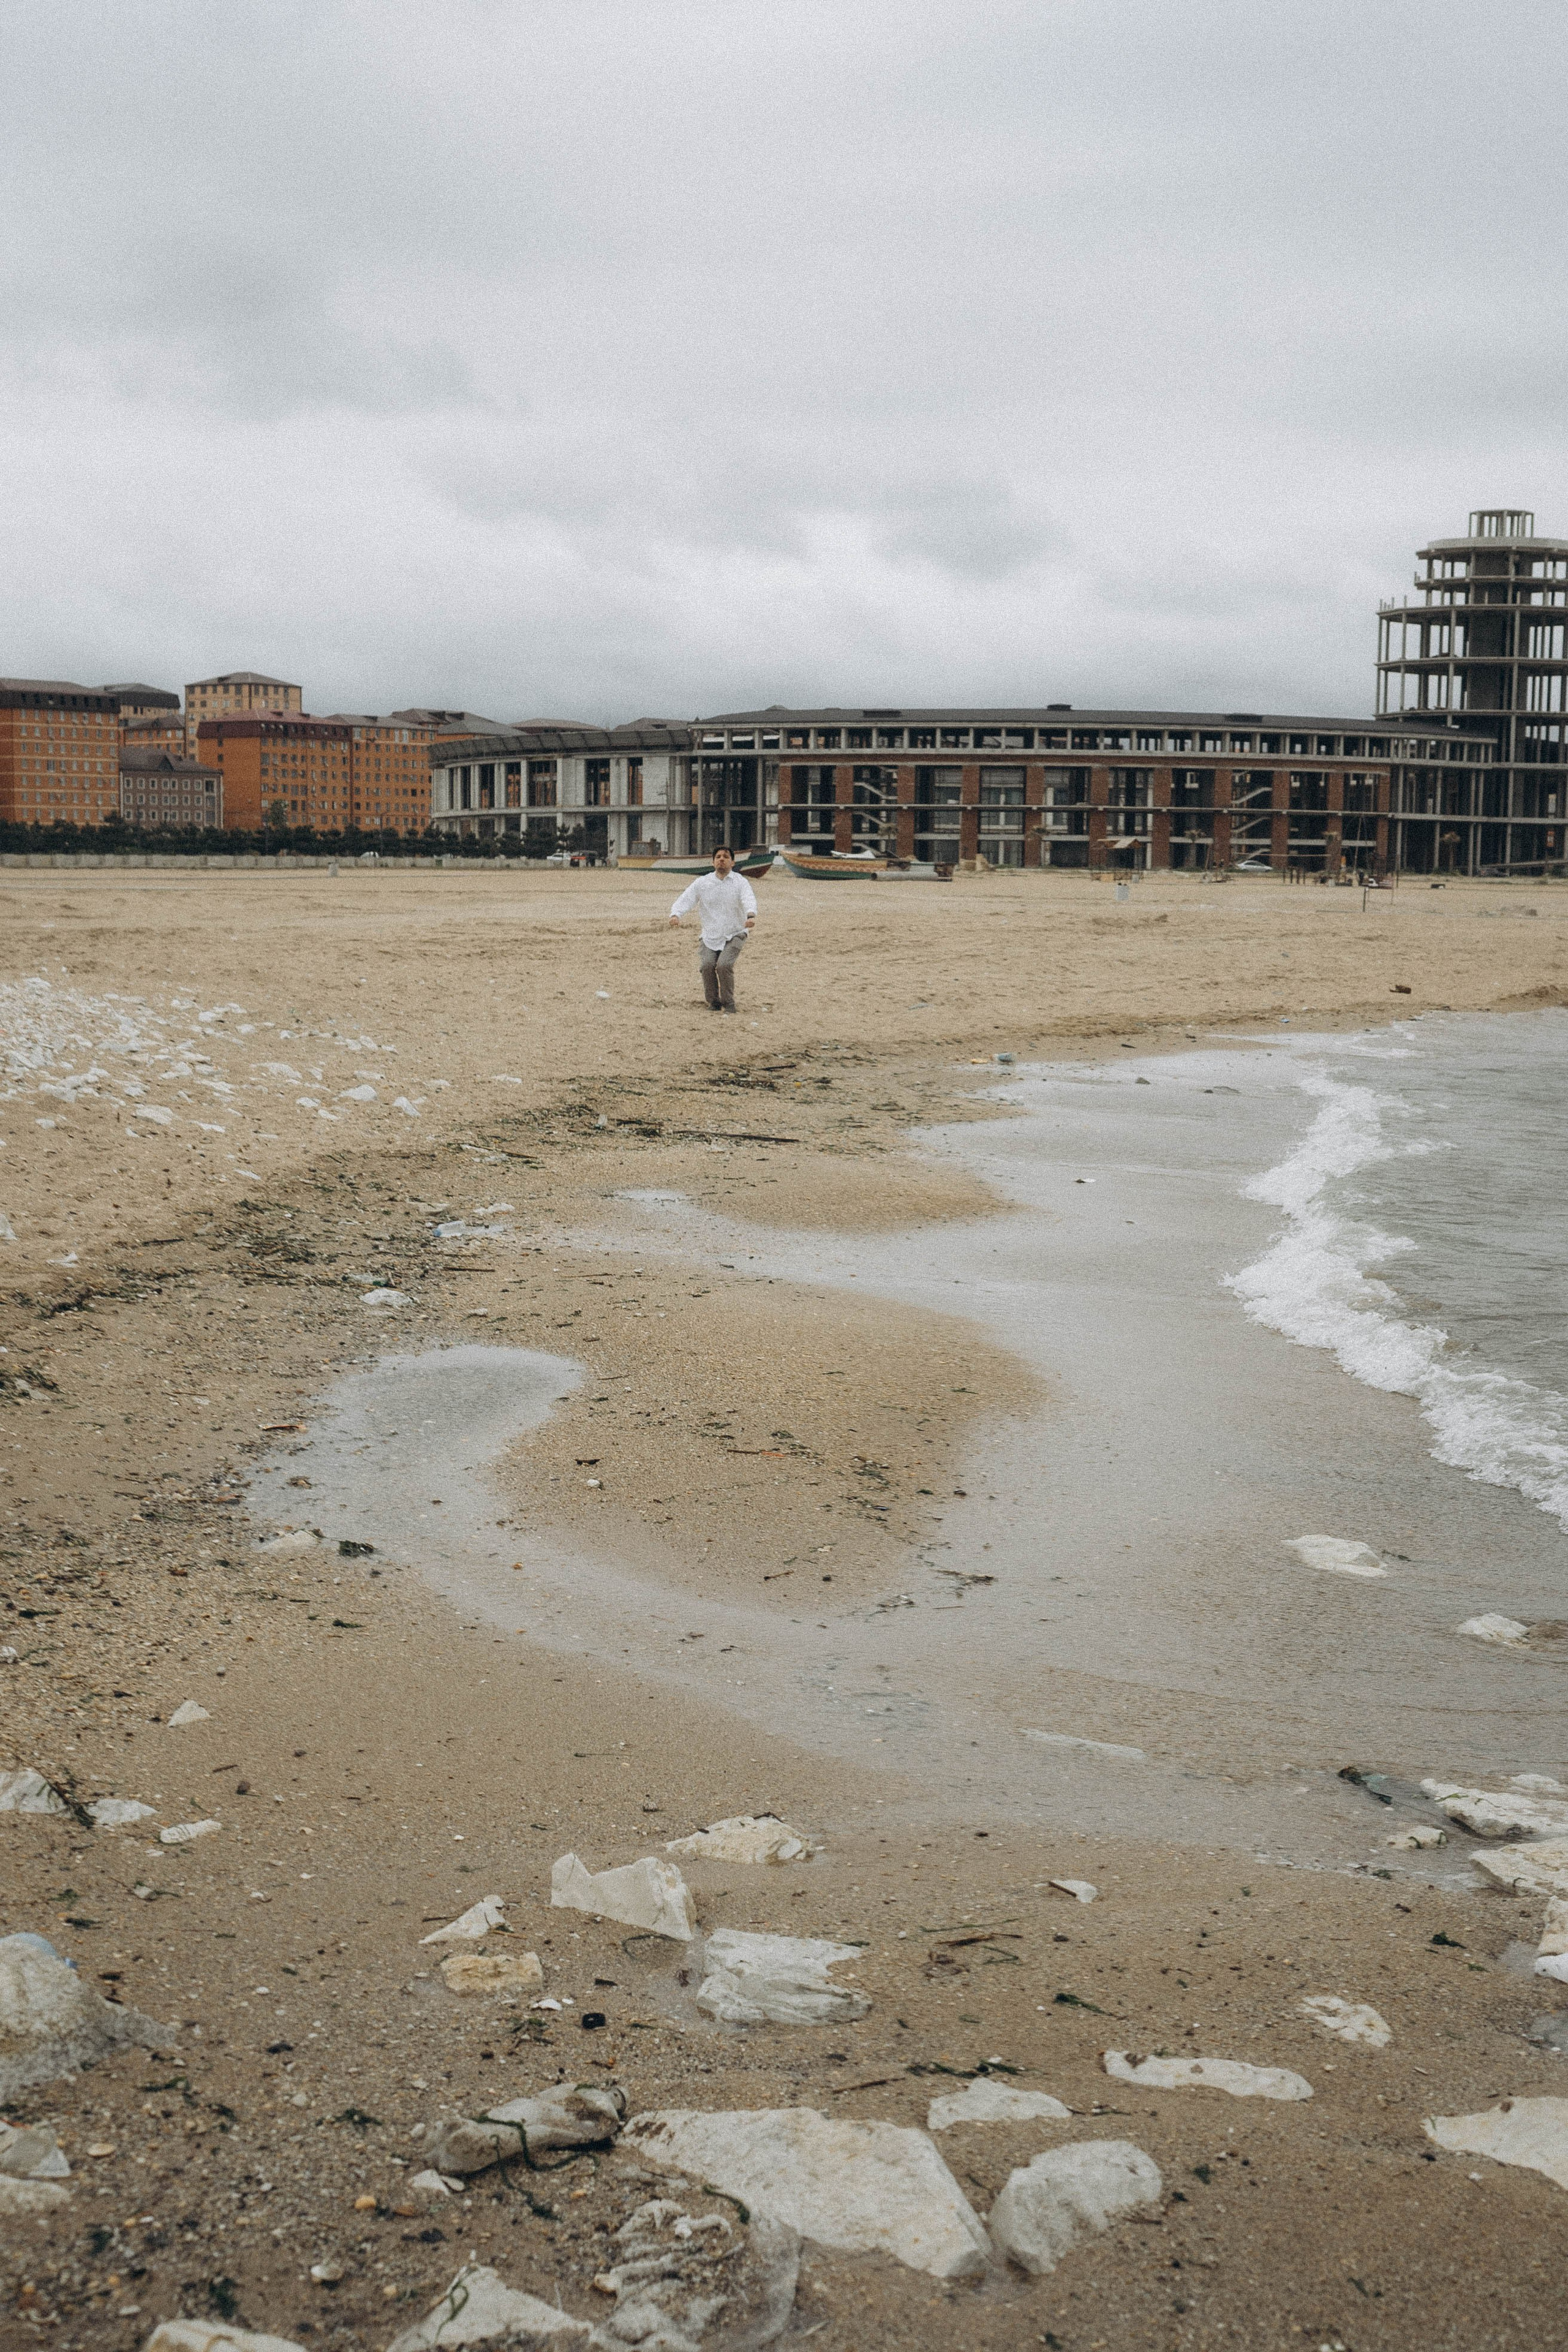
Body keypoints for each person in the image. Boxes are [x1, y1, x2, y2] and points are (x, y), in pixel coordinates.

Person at [668, 846, 758, 1014]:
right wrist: (676, 914)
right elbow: (687, 898)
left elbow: (748, 899)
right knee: (707, 966)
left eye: (725, 857)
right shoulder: (703, 882)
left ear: (733, 862)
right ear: (713, 862)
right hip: (710, 935)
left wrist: (750, 915)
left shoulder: (740, 882)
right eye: (718, 857)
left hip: (735, 933)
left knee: (724, 965)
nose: (721, 859)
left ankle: (729, 1004)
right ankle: (714, 1003)